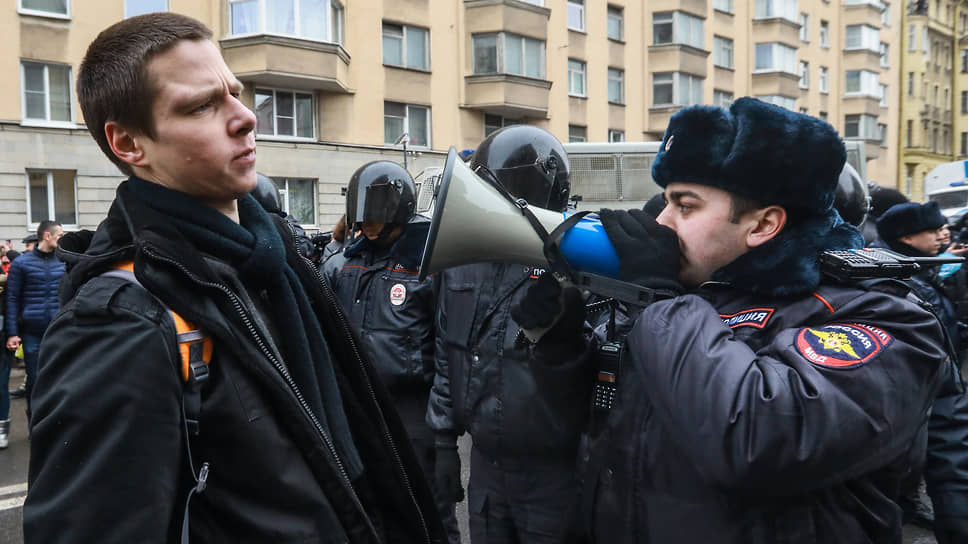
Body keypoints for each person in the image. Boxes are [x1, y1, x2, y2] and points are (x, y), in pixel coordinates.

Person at [23, 13, 444, 543]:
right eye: (202, 105)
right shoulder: (118, 324)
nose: (245, 117)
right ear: (129, 144)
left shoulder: (272, 261)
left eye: (235, 93)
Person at [513, 98, 949, 542]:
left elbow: (762, 441)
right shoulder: (686, 297)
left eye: (685, 206)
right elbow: (590, 427)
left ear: (762, 225)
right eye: (666, 202)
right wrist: (561, 346)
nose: (661, 222)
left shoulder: (882, 316)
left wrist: (659, 301)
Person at [427, 125, 590, 544]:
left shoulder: (580, 260)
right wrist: (444, 441)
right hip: (487, 468)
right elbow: (448, 350)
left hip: (554, 475)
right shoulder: (462, 260)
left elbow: (593, 371)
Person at [326, 161, 461, 544]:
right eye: (362, 216)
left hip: (414, 412)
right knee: (374, 510)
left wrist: (444, 434)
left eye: (375, 215)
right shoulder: (344, 264)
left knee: (431, 516)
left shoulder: (429, 265)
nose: (367, 225)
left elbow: (447, 351)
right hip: (362, 408)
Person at [5, 220, 64, 423]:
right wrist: (12, 333)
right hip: (32, 333)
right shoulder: (21, 263)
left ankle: (55, 425)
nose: (62, 239)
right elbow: (12, 299)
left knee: (59, 379)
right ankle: (35, 424)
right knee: (35, 380)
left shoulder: (64, 261)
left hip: (58, 331)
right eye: (60, 235)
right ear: (47, 236)